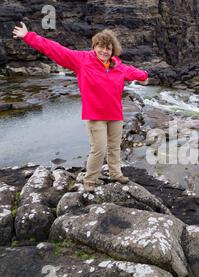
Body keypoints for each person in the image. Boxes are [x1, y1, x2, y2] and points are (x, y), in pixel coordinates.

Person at [12, 22, 149, 192]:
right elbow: (55, 49)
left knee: (114, 146)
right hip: (95, 115)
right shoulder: (82, 61)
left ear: (113, 50)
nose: (104, 51)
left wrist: (145, 75)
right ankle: (90, 181)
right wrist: (28, 36)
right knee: (98, 149)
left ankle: (116, 173)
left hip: (115, 114)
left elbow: (135, 72)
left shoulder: (118, 66)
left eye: (108, 48)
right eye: (101, 47)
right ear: (94, 46)